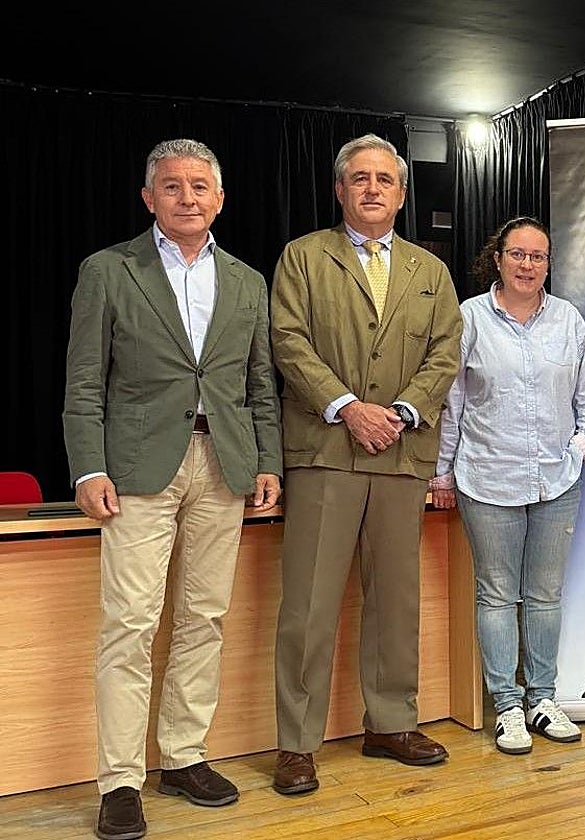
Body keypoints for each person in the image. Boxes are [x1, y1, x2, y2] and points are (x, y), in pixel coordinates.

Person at [63, 138, 282, 840]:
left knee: (204, 618)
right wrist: (88, 467)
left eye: (199, 187)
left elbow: (259, 389)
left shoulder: (248, 281)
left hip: (223, 468)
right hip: (136, 471)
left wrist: (268, 462)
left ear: (219, 199)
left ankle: (184, 756)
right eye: (172, 186)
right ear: (148, 197)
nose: (187, 197)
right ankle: (121, 781)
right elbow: (84, 382)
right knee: (129, 625)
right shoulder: (108, 270)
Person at [270, 133, 462, 793]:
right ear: (339, 189)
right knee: (309, 605)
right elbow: (287, 340)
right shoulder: (302, 257)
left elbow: (445, 353)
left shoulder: (429, 272)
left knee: (395, 601)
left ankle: (389, 723)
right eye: (360, 178)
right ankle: (296, 743)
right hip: (326, 450)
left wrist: (403, 411)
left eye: (384, 178)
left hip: (401, 453)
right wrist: (349, 407)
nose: (373, 188)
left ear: (402, 194)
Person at [430, 217, 585, 755]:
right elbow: (452, 403)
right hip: (487, 481)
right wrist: (442, 473)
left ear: (548, 264)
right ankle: (506, 706)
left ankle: (543, 700)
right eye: (518, 254)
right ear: (498, 258)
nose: (527, 265)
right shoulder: (469, 319)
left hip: (556, 483)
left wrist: (578, 447)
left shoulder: (568, 321)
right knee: (497, 596)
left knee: (545, 597)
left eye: (538, 256)